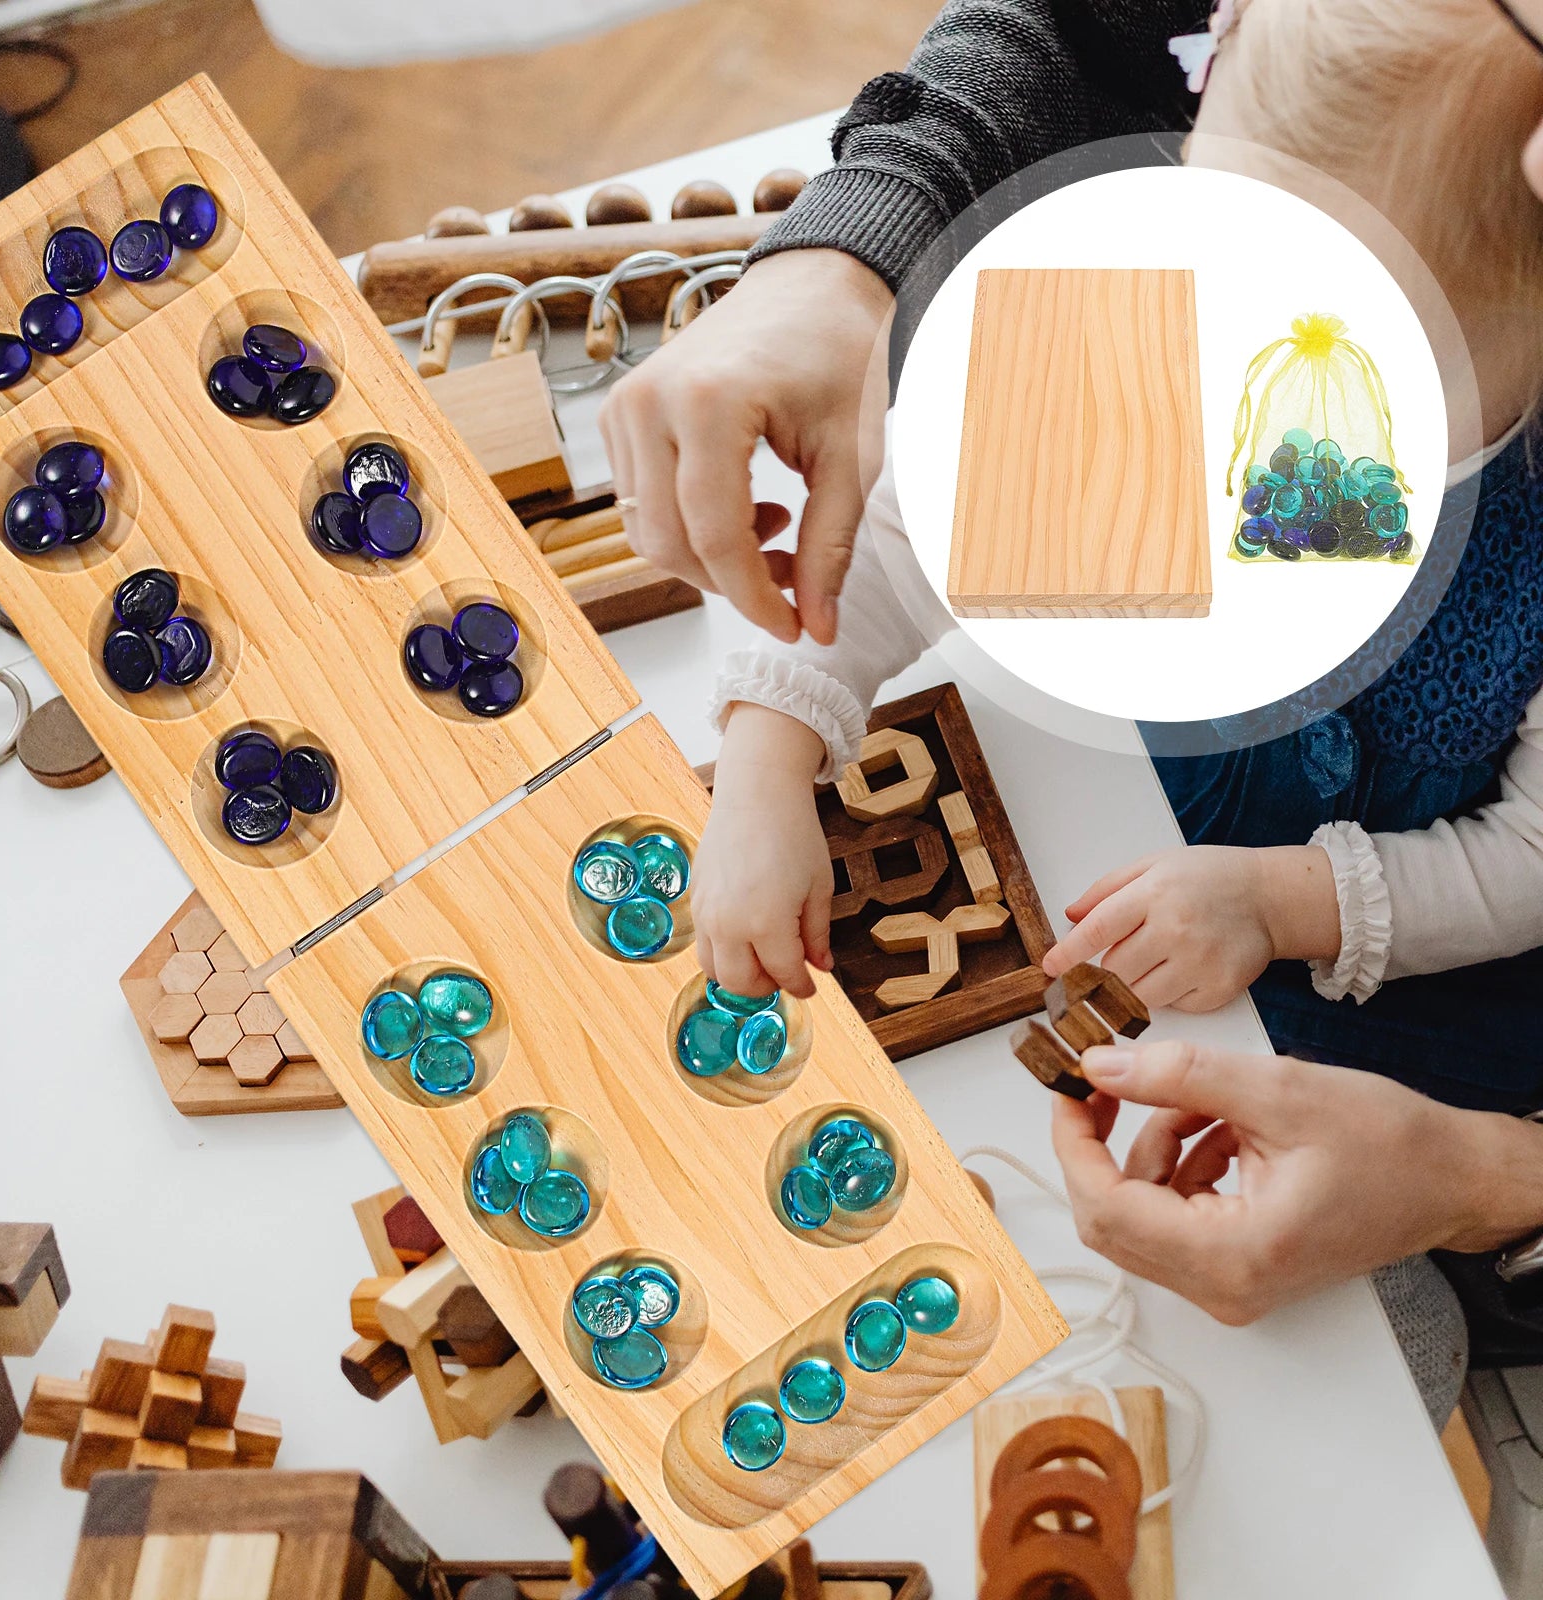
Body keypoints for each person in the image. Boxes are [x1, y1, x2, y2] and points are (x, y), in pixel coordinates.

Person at [604, 0, 1543, 1340]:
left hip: (1412, 981)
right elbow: (896, 546)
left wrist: (1288, 904)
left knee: (1356, 1340)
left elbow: (1528, 854)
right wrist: (769, 759)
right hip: (1133, 845)